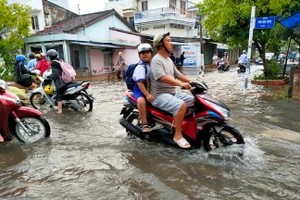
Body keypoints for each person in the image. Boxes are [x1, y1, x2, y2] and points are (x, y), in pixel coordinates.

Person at [150, 32, 194, 149]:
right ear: (160, 44)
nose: (171, 43)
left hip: (171, 93)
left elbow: (178, 74)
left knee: (195, 101)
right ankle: (178, 135)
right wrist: (181, 84)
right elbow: (163, 78)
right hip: (159, 96)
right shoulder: (156, 60)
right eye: (168, 41)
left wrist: (192, 82)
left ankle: (187, 128)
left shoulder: (168, 60)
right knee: (181, 106)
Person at [132, 43, 155, 132]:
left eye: (147, 52)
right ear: (139, 55)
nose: (145, 54)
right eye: (143, 53)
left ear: (151, 54)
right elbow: (140, 83)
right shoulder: (140, 67)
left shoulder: (153, 64)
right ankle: (145, 123)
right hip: (139, 87)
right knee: (141, 100)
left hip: (150, 86)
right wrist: (147, 94)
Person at [46, 49, 69, 114]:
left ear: (50, 57)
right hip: (66, 79)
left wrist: (50, 77)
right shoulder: (60, 60)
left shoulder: (53, 63)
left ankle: (59, 110)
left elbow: (56, 74)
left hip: (61, 81)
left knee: (59, 94)